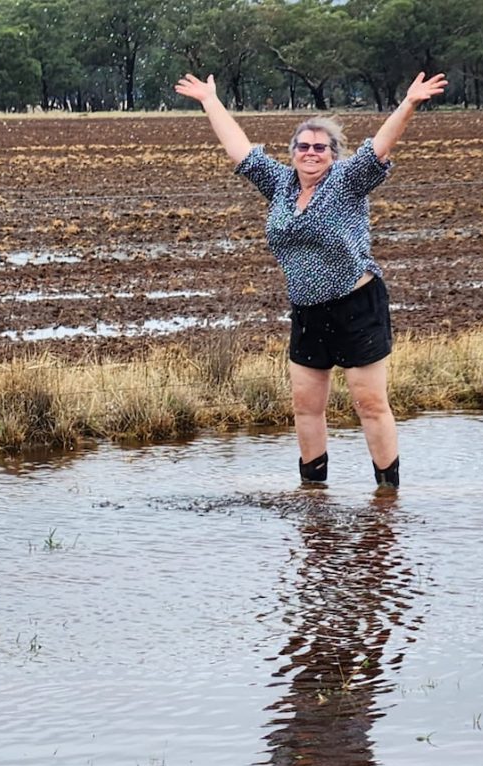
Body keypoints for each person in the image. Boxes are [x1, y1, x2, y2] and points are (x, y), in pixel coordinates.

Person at [174, 71, 447, 488]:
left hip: (357, 306)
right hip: (307, 310)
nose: (311, 152)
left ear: (333, 155)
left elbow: (378, 148)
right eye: (303, 146)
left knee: (370, 404)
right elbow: (241, 151)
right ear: (293, 153)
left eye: (321, 147)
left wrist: (408, 103)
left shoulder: (346, 182)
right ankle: (313, 496)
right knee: (306, 407)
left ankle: (387, 496)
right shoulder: (280, 183)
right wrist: (210, 100)